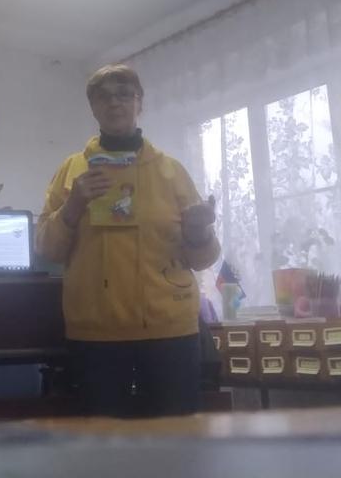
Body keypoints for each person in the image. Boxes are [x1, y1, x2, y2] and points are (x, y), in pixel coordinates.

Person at [35, 64, 220, 417]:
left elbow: (202, 260)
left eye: (124, 94)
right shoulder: (71, 171)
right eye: (103, 97)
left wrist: (200, 231)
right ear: (92, 108)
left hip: (170, 328)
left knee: (175, 438)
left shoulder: (172, 171)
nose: (114, 103)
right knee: (106, 441)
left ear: (140, 103)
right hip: (96, 332)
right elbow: (47, 249)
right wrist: (72, 206)